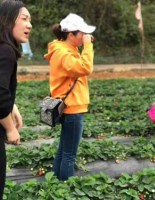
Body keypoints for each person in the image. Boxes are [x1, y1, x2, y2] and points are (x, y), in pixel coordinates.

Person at [44, 13, 96, 181]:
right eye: (82, 33)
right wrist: (87, 46)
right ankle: (66, 190)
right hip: (73, 109)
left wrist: (83, 44)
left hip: (69, 106)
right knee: (69, 155)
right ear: (71, 34)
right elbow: (85, 67)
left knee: (63, 151)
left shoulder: (65, 49)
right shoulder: (64, 53)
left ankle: (57, 185)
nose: (86, 36)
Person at [0, 0, 32, 199]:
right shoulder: (5, 51)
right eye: (24, 19)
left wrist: (12, 105)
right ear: (7, 20)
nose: (30, 25)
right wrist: (11, 129)